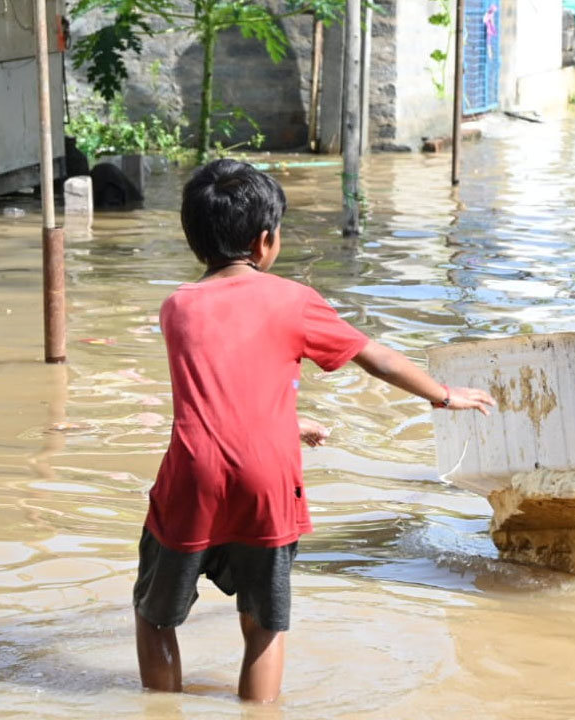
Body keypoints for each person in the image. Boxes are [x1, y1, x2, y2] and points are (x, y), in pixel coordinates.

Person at [133, 159, 495, 703]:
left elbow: (213, 391)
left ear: (194, 240)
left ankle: (159, 713)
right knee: (263, 627)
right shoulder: (294, 300)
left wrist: (285, 421)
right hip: (268, 479)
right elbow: (373, 357)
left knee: (156, 617)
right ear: (264, 242)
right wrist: (444, 395)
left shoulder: (176, 307)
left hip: (192, 476)